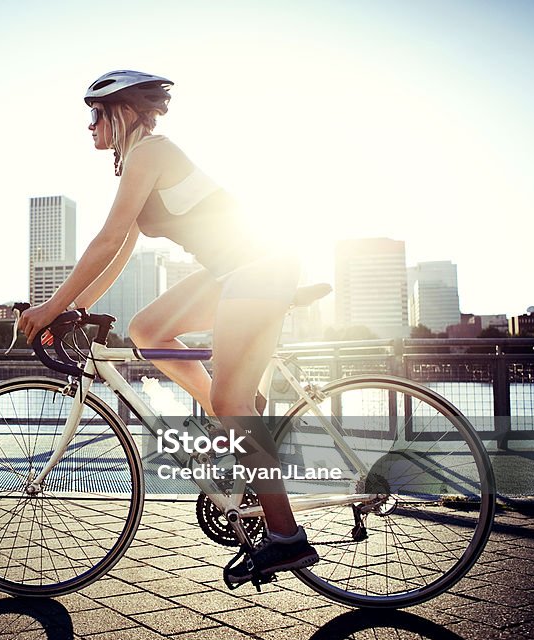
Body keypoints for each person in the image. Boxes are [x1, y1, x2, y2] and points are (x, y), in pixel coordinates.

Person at [17, 69, 319, 583]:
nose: (89, 126)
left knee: (231, 403)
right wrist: (77, 310)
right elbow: (119, 250)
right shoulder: (137, 163)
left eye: (95, 113)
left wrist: (50, 307)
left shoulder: (151, 152)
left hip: (259, 267)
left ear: (124, 112)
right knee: (147, 329)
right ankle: (235, 419)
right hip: (235, 271)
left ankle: (286, 537)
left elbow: (107, 239)